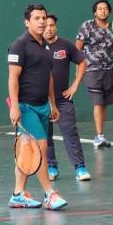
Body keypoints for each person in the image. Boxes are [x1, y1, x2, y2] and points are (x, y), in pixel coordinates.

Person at [7, 3, 67, 211]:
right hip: (25, 107)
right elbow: (12, 78)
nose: (42, 22)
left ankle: (18, 194)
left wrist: (52, 104)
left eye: (43, 18)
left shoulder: (45, 47)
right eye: (36, 18)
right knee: (41, 148)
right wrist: (15, 107)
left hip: (43, 106)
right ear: (27, 22)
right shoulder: (19, 45)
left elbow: (48, 77)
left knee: (27, 152)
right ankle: (50, 193)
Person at [75, 0, 113, 149]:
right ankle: (98, 136)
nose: (103, 11)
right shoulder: (87, 26)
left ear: (109, 11)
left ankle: (101, 135)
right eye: (100, 9)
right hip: (92, 70)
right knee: (98, 102)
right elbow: (77, 48)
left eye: (105, 9)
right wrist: (79, 70)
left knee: (104, 103)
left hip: (108, 70)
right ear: (95, 12)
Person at [44, 14, 91, 181]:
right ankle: (51, 167)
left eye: (51, 25)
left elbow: (83, 62)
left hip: (63, 100)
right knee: (45, 136)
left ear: (55, 27)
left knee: (70, 133)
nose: (48, 28)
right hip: (42, 101)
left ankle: (80, 168)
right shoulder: (35, 46)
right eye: (45, 25)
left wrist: (75, 85)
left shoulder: (66, 45)